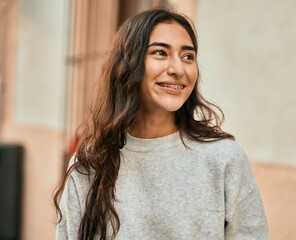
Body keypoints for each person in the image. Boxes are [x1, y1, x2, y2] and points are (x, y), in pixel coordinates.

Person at [54, 8, 268, 240]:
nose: (178, 69)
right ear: (127, 65)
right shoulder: (90, 163)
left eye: (188, 56)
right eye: (160, 53)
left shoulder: (224, 159)